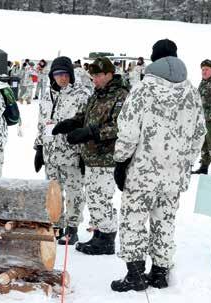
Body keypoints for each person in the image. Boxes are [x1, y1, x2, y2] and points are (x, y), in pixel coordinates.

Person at [110, 39, 206, 292]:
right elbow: (199, 134)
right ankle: (161, 272)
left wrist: (120, 161)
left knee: (133, 219)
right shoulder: (192, 92)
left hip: (142, 171)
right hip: (174, 174)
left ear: (154, 59)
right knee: (165, 220)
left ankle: (135, 274)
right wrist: (185, 163)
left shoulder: (143, 89)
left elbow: (128, 131)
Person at [53, 57, 128, 252]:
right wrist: (72, 123)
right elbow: (84, 115)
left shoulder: (120, 96)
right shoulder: (97, 94)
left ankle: (107, 239)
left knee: (101, 198)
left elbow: (120, 126)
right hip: (92, 157)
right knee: (94, 199)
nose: (94, 79)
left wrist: (91, 132)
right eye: (92, 75)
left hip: (107, 157)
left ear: (109, 74)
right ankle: (100, 235)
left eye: (97, 75)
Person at [36, 56, 90, 245]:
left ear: (71, 75)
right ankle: (57, 226)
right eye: (58, 74)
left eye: (65, 74)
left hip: (72, 154)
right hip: (51, 155)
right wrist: (39, 147)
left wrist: (85, 152)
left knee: (75, 192)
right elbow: (41, 124)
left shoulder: (82, 95)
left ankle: (72, 227)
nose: (62, 78)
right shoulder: (46, 96)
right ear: (53, 76)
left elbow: (86, 124)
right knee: (53, 193)